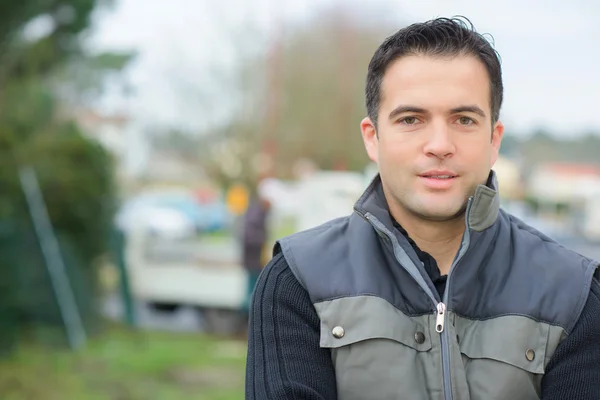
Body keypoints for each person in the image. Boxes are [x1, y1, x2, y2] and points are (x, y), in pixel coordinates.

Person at [245, 17, 600, 400]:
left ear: (494, 139)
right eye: (411, 119)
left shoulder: (574, 296)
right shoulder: (297, 281)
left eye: (464, 119)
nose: (439, 144)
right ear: (373, 137)